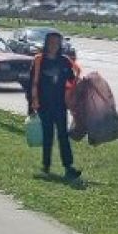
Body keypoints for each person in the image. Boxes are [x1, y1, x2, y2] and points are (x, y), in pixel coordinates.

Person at [28, 30, 82, 180]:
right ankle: (46, 167)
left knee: (63, 135)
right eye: (51, 42)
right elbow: (31, 83)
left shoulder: (64, 61)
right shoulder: (39, 60)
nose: (54, 45)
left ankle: (68, 167)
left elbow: (72, 80)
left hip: (60, 105)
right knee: (48, 136)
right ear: (46, 43)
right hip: (44, 105)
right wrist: (31, 106)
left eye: (57, 43)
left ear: (60, 45)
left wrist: (80, 87)